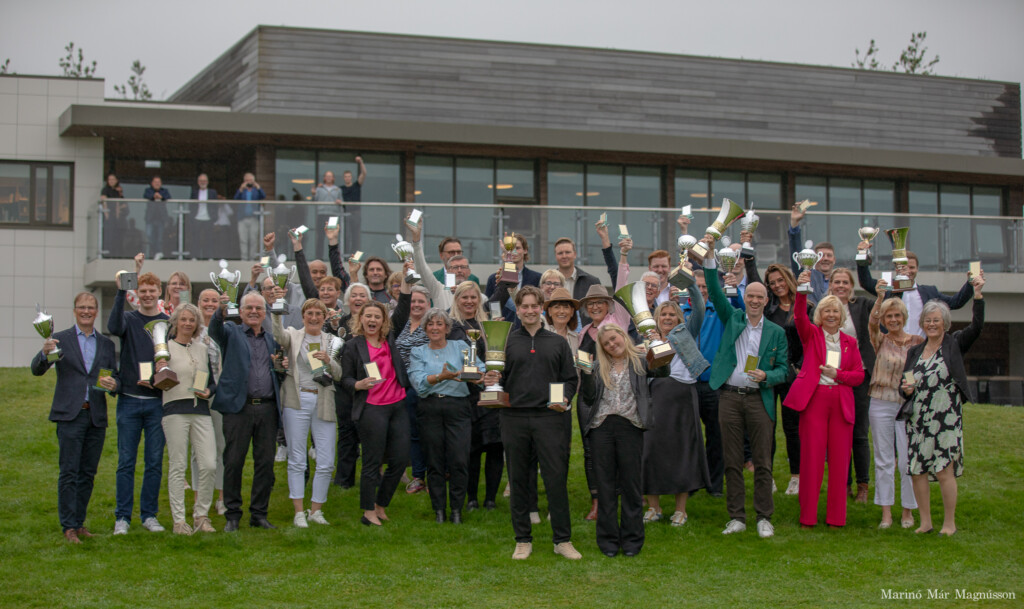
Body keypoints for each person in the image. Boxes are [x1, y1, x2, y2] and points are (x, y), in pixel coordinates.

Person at [702, 243, 788, 538]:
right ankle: (737, 517)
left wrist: (767, 375)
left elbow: (784, 370)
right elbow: (715, 292)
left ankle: (764, 516)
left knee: (763, 461)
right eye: (750, 295)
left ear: (766, 300)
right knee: (732, 461)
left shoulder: (776, 332)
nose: (753, 300)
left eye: (759, 296)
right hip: (729, 397)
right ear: (744, 297)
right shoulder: (733, 318)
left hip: (759, 399)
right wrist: (710, 259)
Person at [499, 286, 581, 560]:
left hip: (550, 418)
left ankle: (562, 540)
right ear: (518, 309)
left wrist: (565, 398)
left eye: (535, 306)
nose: (530, 310)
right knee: (519, 479)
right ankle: (523, 539)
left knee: (555, 479)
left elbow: (570, 380)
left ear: (542, 308)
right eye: (525, 306)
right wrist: (490, 379)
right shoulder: (506, 341)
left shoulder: (557, 342)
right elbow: (498, 378)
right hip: (514, 417)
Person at [900, 274, 985, 536]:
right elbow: (906, 382)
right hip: (919, 419)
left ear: (945, 323)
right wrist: (906, 389)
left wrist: (978, 296)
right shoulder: (915, 351)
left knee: (944, 470)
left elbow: (977, 327)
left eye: (936, 320)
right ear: (922, 324)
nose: (932, 324)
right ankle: (925, 522)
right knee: (917, 470)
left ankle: (949, 523)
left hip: (946, 419)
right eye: (928, 320)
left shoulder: (954, 343)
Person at [31, 292, 119, 544]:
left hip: (95, 416)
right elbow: (37, 370)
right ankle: (68, 526)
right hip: (70, 415)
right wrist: (44, 353)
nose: (86, 311)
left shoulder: (106, 344)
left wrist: (115, 385)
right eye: (82, 307)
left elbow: (114, 376)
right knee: (69, 472)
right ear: (74, 311)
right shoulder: (60, 340)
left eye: (90, 307)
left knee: (87, 473)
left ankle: (79, 523)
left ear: (96, 311)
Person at [579, 323, 667, 557]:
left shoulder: (640, 360)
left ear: (622, 336)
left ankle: (632, 541)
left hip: (630, 426)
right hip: (601, 428)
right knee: (605, 486)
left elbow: (663, 371)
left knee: (631, 485)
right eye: (606, 343)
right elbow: (588, 398)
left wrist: (657, 343)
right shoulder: (598, 366)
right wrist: (586, 374)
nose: (612, 344)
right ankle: (608, 541)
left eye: (614, 339)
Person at [785, 282, 865, 529]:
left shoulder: (850, 342)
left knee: (840, 462)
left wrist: (838, 374)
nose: (831, 315)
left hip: (841, 401)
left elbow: (859, 375)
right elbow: (799, 316)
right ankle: (808, 516)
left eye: (836, 311)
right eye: (827, 311)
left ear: (841, 316)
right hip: (815, 401)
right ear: (819, 315)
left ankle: (836, 518)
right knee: (812, 460)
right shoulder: (812, 335)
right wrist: (802, 291)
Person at [409, 308, 494, 523]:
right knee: (434, 462)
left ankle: (456, 509)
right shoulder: (418, 352)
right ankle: (439, 509)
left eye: (440, 324)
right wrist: (441, 377)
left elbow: (478, 370)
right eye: (430, 324)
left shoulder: (461, 346)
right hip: (429, 408)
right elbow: (419, 384)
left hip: (458, 408)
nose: (435, 328)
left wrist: (481, 377)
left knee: (459, 460)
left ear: (447, 328)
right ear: (425, 328)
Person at [209, 291, 281, 531]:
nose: (253, 312)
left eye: (258, 308)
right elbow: (214, 330)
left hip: (267, 409)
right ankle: (232, 514)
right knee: (233, 462)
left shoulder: (271, 339)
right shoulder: (231, 332)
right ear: (240, 312)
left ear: (264, 312)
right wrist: (221, 308)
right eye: (249, 307)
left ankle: (259, 514)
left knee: (265, 464)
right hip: (238, 408)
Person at [272, 296, 341, 528]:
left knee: (326, 461)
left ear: (324, 317)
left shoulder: (331, 340)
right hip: (297, 399)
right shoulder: (293, 335)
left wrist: (329, 361)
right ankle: (299, 511)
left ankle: (316, 510)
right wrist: (276, 312)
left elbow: (339, 374)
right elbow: (278, 335)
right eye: (309, 313)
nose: (313, 317)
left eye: (318, 314)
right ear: (303, 316)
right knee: (297, 459)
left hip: (323, 400)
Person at [108, 270, 169, 535]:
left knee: (154, 462)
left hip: (157, 402)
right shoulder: (128, 319)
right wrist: (121, 291)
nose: (147, 295)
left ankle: (149, 515)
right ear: (137, 293)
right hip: (129, 401)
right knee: (126, 462)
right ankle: (122, 517)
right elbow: (112, 327)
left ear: (159, 292)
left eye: (151, 290)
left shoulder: (168, 322)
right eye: (142, 291)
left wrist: (159, 381)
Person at [340, 301, 410, 526]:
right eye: (368, 316)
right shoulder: (352, 346)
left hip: (398, 405)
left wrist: (406, 284)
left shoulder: (390, 339)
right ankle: (368, 511)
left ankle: (381, 505)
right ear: (360, 319)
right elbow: (345, 379)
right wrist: (358, 384)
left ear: (383, 321)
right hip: (372, 408)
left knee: (400, 460)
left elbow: (403, 309)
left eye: (377, 317)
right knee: (372, 461)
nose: (372, 320)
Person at [642, 295, 710, 527]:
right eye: (663, 314)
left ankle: (681, 510)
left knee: (683, 451)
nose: (668, 318)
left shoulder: (685, 334)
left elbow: (699, 307)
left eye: (672, 314)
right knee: (649, 449)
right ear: (657, 318)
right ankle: (654, 507)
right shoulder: (648, 340)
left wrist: (690, 282)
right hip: (654, 396)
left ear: (680, 319)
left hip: (682, 397)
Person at [156, 303, 218, 535]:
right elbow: (154, 379)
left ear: (197, 324)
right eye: (183, 319)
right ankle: (179, 521)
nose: (188, 323)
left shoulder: (202, 349)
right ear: (175, 322)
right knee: (178, 465)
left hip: (201, 411)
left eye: (192, 320)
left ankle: (201, 516)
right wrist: (159, 369)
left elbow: (212, 382)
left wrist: (209, 392)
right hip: (174, 411)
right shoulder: (165, 349)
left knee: (209, 464)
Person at [867, 293, 923, 529]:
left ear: (904, 317)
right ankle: (886, 513)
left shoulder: (917, 341)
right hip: (881, 401)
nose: (893, 320)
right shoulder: (880, 339)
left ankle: (908, 511)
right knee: (884, 459)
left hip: (907, 403)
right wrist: (880, 298)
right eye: (888, 316)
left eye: (897, 315)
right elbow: (871, 322)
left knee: (907, 460)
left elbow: (920, 370)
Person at [449, 281, 504, 512]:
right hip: (466, 395)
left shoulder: (489, 324)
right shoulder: (451, 327)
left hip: (491, 392)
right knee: (470, 450)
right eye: (465, 297)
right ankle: (471, 497)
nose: (469, 301)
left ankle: (490, 499)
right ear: (457, 300)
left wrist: (497, 336)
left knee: (495, 447)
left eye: (473, 297)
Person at [756, 263, 807, 496]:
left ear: (788, 279)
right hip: (768, 374)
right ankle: (767, 477)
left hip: (793, 377)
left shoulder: (805, 306)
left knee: (792, 428)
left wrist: (800, 368)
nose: (777, 285)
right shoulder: (768, 310)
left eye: (780, 280)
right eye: (772, 283)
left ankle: (796, 477)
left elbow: (809, 340)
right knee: (767, 427)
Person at [827, 267, 876, 503]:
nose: (841, 286)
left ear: (851, 285)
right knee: (838, 434)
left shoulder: (862, 305)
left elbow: (881, 311)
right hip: (832, 377)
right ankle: (843, 484)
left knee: (859, 434)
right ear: (830, 285)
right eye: (837, 282)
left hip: (859, 377)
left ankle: (863, 486)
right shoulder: (824, 308)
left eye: (845, 282)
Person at [855, 245, 974, 337]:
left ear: (917, 269)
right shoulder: (888, 287)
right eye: (904, 267)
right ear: (897, 269)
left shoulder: (929, 292)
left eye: (912, 267)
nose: (908, 271)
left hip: (920, 350)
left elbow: (956, 302)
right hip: (893, 350)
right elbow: (866, 282)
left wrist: (971, 283)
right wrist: (862, 254)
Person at [390, 282, 432, 494]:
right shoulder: (400, 324)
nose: (416, 305)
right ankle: (418, 476)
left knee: (430, 433)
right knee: (412, 433)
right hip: (401, 386)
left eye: (421, 301)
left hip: (425, 386)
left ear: (428, 304)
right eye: (413, 301)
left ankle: (434, 475)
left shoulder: (433, 326)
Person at [333, 282, 371, 488]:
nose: (358, 299)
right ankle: (344, 479)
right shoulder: (338, 323)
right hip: (345, 386)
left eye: (362, 295)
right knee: (346, 432)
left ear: (368, 300)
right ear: (347, 301)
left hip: (370, 385)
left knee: (370, 433)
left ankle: (371, 477)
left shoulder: (375, 322)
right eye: (354, 295)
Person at [194, 288, 227, 515]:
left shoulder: (224, 329)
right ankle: (199, 499)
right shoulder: (191, 328)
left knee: (221, 447)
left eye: (214, 300)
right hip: (195, 392)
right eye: (205, 300)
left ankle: (221, 498)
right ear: (199, 303)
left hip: (219, 394)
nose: (209, 304)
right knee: (197, 450)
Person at [246, 232, 318, 331]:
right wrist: (269, 250)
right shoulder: (261, 311)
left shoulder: (297, 309)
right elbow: (278, 272)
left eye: (322, 272)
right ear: (262, 292)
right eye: (269, 288)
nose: (273, 291)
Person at [787, 202, 835, 304]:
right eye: (821, 255)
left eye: (829, 255)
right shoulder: (806, 275)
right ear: (815, 259)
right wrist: (794, 224)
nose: (825, 258)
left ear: (834, 260)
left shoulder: (839, 281)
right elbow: (796, 251)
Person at [553, 237, 603, 323]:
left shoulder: (592, 282)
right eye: (560, 253)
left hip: (583, 330)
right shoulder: (547, 283)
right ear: (556, 256)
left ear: (575, 254)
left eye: (567, 252)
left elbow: (600, 311)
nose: (564, 256)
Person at [484, 232, 541, 298]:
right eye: (510, 248)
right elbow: (488, 303)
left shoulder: (537, 278)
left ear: (525, 250)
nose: (514, 252)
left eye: (517, 248)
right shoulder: (493, 279)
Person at [234, 172, 266, 259]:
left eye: (250, 180)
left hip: (254, 218)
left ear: (253, 181)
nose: (249, 182)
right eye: (247, 180)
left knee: (253, 239)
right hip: (242, 218)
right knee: (243, 239)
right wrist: (241, 188)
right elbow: (235, 199)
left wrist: (258, 187)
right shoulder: (242, 191)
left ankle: (252, 258)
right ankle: (244, 258)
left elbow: (263, 196)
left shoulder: (256, 190)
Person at [189, 173, 219, 259]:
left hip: (208, 218)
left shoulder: (212, 192)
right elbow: (191, 205)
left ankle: (209, 256)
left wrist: (214, 217)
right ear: (198, 182)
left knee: (209, 238)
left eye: (204, 181)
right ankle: (195, 256)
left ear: (207, 182)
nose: (203, 182)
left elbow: (215, 205)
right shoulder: (194, 192)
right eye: (201, 181)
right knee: (196, 238)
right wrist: (192, 216)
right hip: (197, 217)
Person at [340, 156, 366, 250]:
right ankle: (346, 254)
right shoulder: (341, 189)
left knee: (356, 236)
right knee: (346, 236)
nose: (347, 178)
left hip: (356, 214)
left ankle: (355, 255)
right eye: (346, 176)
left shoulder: (356, 185)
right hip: (345, 215)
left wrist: (361, 162)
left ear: (351, 177)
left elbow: (364, 173)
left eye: (349, 176)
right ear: (344, 178)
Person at [143, 176, 171, 259]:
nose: (157, 184)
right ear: (152, 183)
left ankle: (158, 252)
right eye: (155, 182)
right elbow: (146, 195)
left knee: (159, 238)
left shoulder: (164, 191)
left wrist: (161, 197)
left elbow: (168, 197)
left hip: (161, 219)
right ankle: (155, 252)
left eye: (158, 182)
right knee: (149, 235)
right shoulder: (148, 190)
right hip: (150, 218)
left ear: (161, 183)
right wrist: (154, 196)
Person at [100, 173, 128, 257]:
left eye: (113, 179)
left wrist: (120, 193)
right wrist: (106, 214)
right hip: (109, 216)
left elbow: (123, 204)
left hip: (117, 219)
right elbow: (104, 201)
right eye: (110, 179)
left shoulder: (118, 191)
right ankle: (108, 254)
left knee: (117, 237)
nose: (111, 181)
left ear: (116, 181)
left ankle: (116, 254)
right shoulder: (105, 190)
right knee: (109, 235)